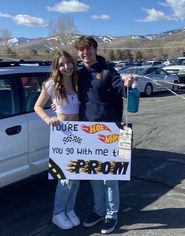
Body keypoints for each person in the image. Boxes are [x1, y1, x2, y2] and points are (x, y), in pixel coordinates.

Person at [73, 36, 133, 234]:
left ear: (95, 49)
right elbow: (65, 92)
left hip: (109, 131)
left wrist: (127, 82)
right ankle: (98, 210)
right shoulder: (78, 72)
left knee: (109, 176)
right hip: (85, 132)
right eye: (81, 50)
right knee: (93, 175)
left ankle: (111, 214)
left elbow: (121, 88)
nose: (85, 53)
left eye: (88, 49)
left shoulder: (108, 71)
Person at [34, 50, 80, 230]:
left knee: (77, 176)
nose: (66, 67)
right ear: (57, 67)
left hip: (80, 134)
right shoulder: (51, 84)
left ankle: (70, 209)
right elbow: (37, 106)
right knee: (65, 177)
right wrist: (48, 118)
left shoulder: (79, 82)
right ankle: (58, 213)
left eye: (68, 63)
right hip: (63, 135)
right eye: (61, 64)